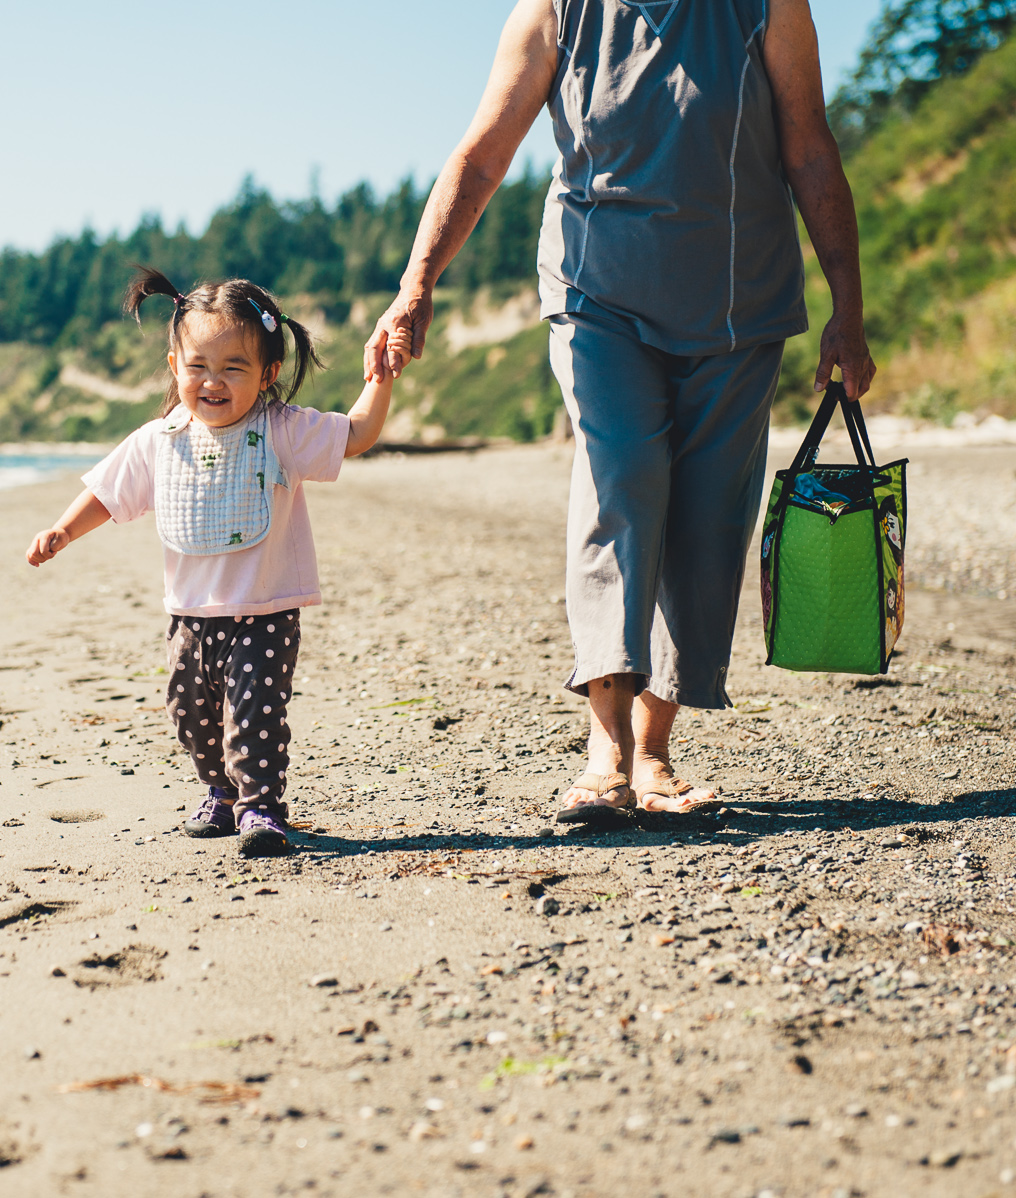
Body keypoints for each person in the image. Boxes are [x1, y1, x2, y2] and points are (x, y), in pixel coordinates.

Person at [365, 0, 876, 825]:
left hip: (740, 304)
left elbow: (809, 146)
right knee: (622, 482)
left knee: (708, 517)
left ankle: (654, 752)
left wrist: (847, 309)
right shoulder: (557, 9)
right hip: (596, 293)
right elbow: (484, 152)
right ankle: (605, 747)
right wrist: (416, 284)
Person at [27, 268, 410, 856]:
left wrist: (379, 379)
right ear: (175, 365)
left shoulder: (280, 432)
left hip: (266, 610)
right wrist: (62, 529)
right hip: (189, 616)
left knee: (254, 711)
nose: (213, 381)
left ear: (268, 374)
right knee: (189, 712)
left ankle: (261, 807)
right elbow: (108, 493)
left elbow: (356, 434)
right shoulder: (160, 439)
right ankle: (221, 792)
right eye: (198, 366)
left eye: (234, 368)